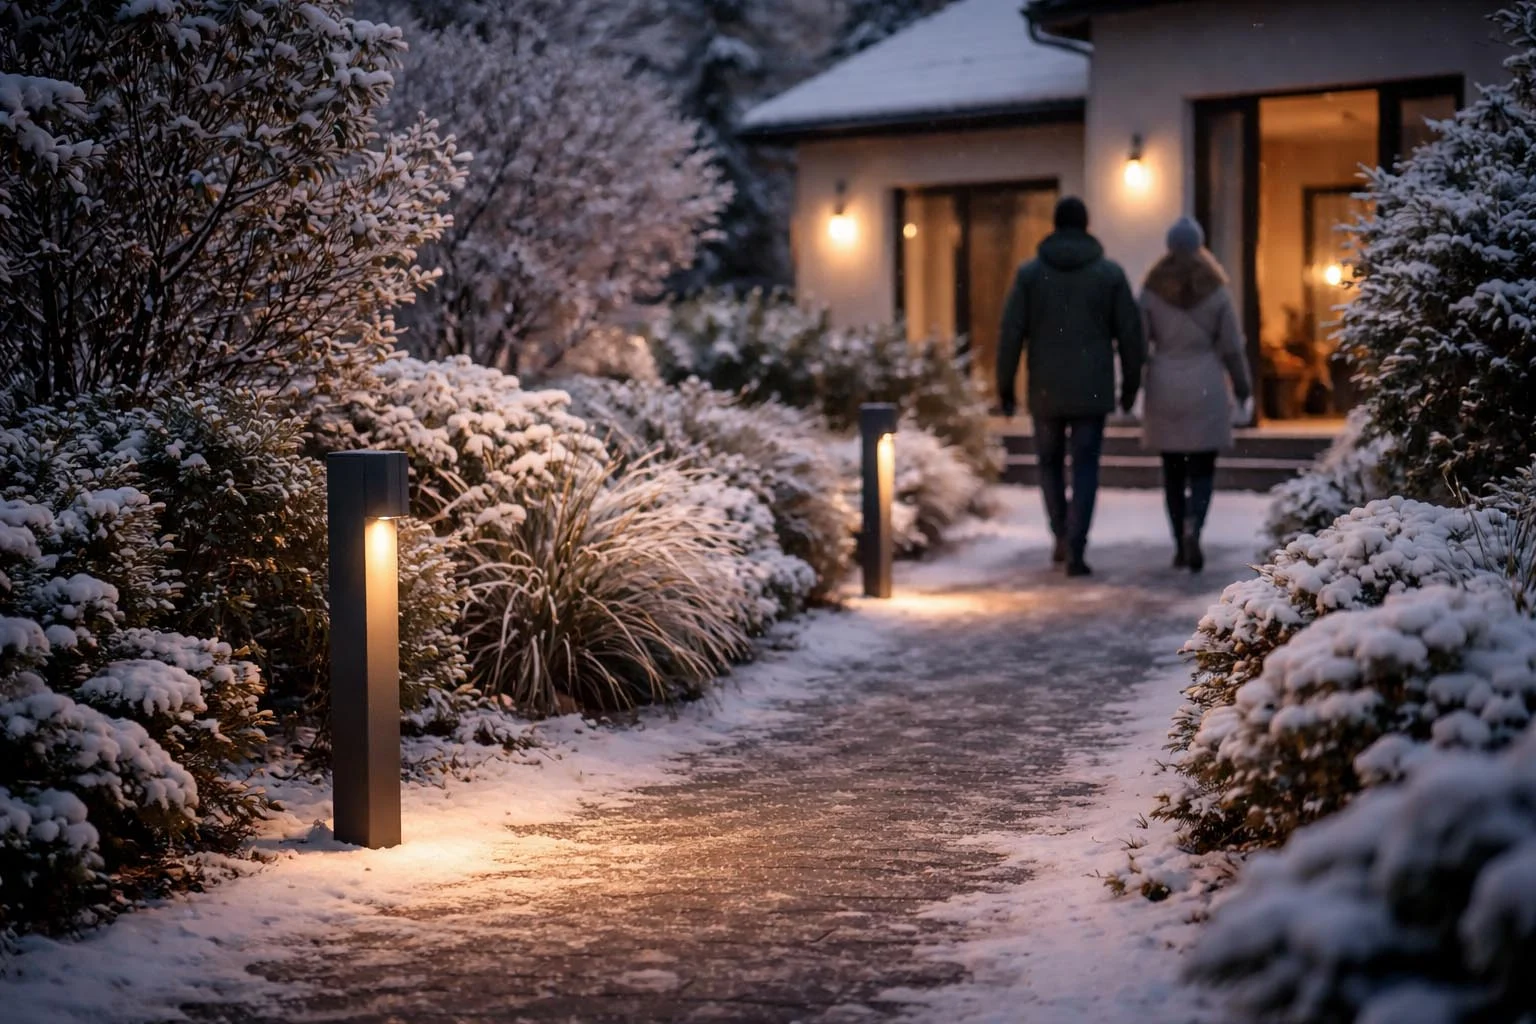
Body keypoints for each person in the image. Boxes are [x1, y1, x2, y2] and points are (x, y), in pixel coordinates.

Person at [997, 196, 1145, 577]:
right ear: (1087, 225)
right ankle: (1077, 545)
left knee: (1048, 464)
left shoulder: (1030, 275)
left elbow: (1011, 333)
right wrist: (1131, 386)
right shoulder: (1109, 274)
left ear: (1055, 225)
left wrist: (1005, 388)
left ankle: (1060, 533)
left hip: (1045, 388)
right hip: (1091, 389)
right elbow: (1131, 334)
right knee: (1085, 467)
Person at [1139, 216, 1253, 573]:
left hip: (1165, 386)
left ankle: (1178, 542)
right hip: (1206, 384)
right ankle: (1195, 526)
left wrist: (1132, 385)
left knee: (1172, 470)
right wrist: (1244, 385)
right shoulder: (1217, 289)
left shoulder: (1151, 289)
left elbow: (1139, 344)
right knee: (1203, 468)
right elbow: (1232, 346)